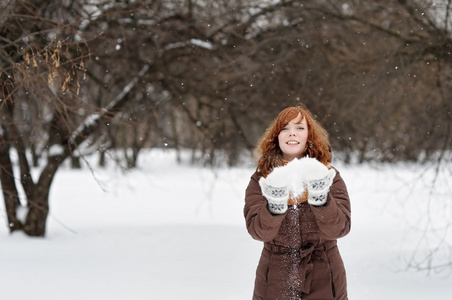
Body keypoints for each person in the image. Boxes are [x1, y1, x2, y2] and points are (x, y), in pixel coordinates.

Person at [244, 105, 351, 300]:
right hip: (276, 274)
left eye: (300, 127)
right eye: (285, 128)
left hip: (324, 272)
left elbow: (339, 229)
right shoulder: (262, 179)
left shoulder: (328, 175)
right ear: (276, 136)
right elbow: (259, 231)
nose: (292, 133)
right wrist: (274, 204)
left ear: (309, 135)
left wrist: (321, 198)